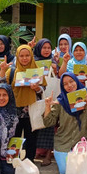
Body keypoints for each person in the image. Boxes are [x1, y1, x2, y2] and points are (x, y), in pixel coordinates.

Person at [42, 73, 87, 174]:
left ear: (76, 81)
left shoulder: (86, 98)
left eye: (71, 81)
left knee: (81, 171)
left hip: (81, 143)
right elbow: (49, 122)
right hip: (63, 143)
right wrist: (47, 106)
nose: (69, 85)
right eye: (65, 84)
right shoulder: (60, 101)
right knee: (65, 171)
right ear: (62, 86)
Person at [0, 45, 43, 161]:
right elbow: (0, 85)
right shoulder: (11, 71)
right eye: (21, 56)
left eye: (27, 55)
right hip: (14, 111)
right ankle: (13, 162)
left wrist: (37, 88)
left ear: (31, 56)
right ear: (17, 57)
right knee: (13, 138)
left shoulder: (36, 70)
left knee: (31, 139)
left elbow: (43, 90)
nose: (24, 58)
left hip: (31, 110)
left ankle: (29, 161)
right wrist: (2, 70)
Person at [33, 38, 56, 166]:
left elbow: (59, 75)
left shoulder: (53, 61)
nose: (46, 50)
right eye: (44, 47)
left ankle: (48, 153)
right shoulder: (33, 61)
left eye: (48, 48)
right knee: (36, 120)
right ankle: (36, 150)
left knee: (49, 121)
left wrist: (55, 68)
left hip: (50, 93)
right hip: (36, 94)